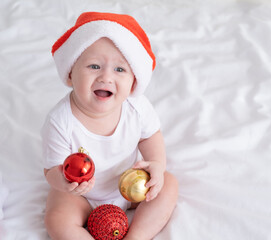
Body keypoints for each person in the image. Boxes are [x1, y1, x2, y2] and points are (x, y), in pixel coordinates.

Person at [41, 12, 178, 240]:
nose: (106, 77)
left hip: (131, 185)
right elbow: (51, 170)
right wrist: (64, 182)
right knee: (57, 219)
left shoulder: (137, 107)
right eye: (94, 66)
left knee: (168, 184)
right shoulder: (59, 121)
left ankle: (138, 235)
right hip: (80, 197)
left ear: (133, 82)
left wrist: (156, 164)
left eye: (120, 69)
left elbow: (150, 136)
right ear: (70, 75)